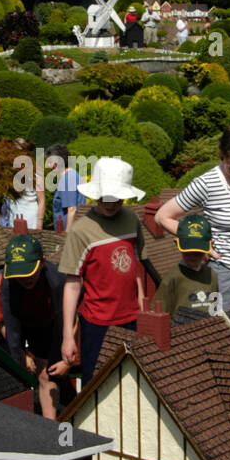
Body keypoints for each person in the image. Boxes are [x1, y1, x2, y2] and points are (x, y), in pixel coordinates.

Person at [155, 123, 230, 312]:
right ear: (222, 153)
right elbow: (162, 216)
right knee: (224, 334)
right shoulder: (206, 183)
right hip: (226, 275)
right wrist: (200, 242)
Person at [59, 156, 153, 383]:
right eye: (104, 198)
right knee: (97, 383)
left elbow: (136, 267)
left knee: (132, 381)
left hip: (131, 320)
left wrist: (141, 302)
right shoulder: (81, 230)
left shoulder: (131, 219)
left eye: (116, 198)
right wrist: (67, 336)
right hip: (97, 325)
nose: (110, 203)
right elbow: (72, 286)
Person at [0, 236, 70, 420]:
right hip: (22, 323)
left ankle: (51, 423)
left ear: (42, 262)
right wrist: (21, 357)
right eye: (20, 275)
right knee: (18, 371)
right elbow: (10, 328)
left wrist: (63, 360)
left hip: (53, 322)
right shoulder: (6, 283)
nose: (25, 279)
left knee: (49, 373)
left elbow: (68, 321)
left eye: (29, 272)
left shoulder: (58, 280)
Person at [153, 215, 219, 315]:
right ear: (176, 244)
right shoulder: (172, 277)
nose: (193, 256)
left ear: (210, 246)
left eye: (198, 252)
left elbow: (216, 309)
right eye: (187, 251)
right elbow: (158, 311)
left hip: (208, 329)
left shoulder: (211, 275)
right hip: (179, 329)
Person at [46, 145, 82, 231]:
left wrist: (67, 236)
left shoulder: (68, 179)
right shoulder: (72, 174)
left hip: (70, 231)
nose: (48, 165)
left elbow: (72, 209)